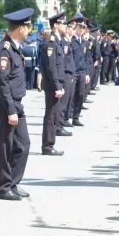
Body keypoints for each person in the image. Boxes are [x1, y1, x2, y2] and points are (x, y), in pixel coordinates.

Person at [0, 8, 34, 201]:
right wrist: (10, 109)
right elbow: (3, 83)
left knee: (23, 144)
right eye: (28, 26)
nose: (29, 30)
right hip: (7, 105)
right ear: (21, 28)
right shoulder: (4, 50)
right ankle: (3, 187)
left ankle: (13, 182)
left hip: (17, 104)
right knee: (5, 145)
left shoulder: (15, 48)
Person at [41, 12, 67, 156]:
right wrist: (57, 86)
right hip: (52, 86)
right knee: (51, 116)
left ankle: (50, 144)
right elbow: (51, 68)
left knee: (54, 115)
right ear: (56, 25)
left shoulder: (57, 41)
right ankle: (48, 146)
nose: (65, 26)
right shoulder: (51, 42)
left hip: (57, 84)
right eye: (63, 23)